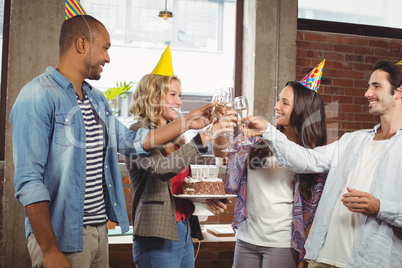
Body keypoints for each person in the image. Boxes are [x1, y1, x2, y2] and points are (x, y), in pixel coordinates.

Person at [10, 15, 213, 268]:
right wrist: (49, 249)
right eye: (105, 48)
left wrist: (188, 121)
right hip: (62, 236)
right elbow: (30, 181)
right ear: (82, 45)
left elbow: (132, 141)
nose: (108, 58)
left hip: (98, 232)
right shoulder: (37, 95)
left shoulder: (97, 101)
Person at [244, 60, 402, 267]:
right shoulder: (352, 140)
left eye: (376, 86)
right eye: (368, 85)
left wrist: (380, 207)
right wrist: (268, 130)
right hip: (322, 258)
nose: (367, 93)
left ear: (399, 92)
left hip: (370, 261)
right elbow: (305, 160)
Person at [125, 70, 236, 267]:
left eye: (180, 95)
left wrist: (207, 199)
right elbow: (162, 169)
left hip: (183, 228)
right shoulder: (137, 133)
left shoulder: (177, 138)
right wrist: (206, 134)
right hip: (157, 233)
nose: (179, 102)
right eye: (173, 95)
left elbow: (179, 186)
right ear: (153, 96)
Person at [214, 81, 328, 268]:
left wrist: (304, 256)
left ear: (302, 109)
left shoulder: (312, 155)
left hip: (281, 243)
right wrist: (219, 125)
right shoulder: (259, 138)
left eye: (285, 102)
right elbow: (222, 152)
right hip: (247, 237)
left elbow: (315, 210)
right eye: (278, 100)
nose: (276, 106)